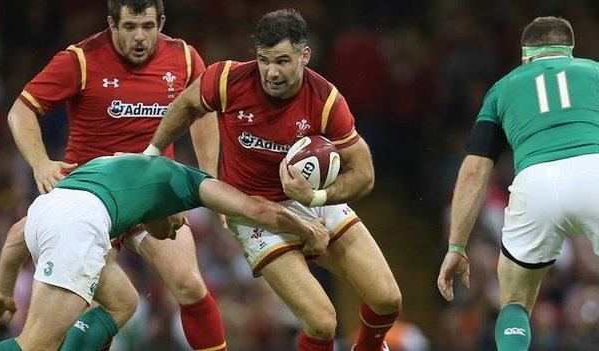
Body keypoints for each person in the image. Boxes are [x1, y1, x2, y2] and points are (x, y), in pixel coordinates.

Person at [145, 9, 402, 351]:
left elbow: (364, 174)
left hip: (310, 200)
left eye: (282, 61)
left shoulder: (325, 101)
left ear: (304, 55)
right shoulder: (228, 79)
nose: (271, 72)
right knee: (322, 323)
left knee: (388, 299)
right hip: (255, 214)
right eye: (264, 60)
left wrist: (317, 197)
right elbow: (188, 104)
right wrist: (152, 151)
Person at [1, 0, 226, 350]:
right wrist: (41, 162)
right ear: (112, 24)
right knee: (94, 308)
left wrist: (208, 178)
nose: (140, 37)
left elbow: (202, 109)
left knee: (190, 283)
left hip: (150, 196)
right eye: (130, 27)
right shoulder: (80, 59)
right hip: (91, 198)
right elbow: (21, 110)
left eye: (148, 27)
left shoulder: (183, 57)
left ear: (161, 22)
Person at [0, 154, 331, 351]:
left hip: (47, 209)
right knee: (36, 346)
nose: (178, 228)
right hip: (81, 226)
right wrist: (307, 229)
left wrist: (4, 293)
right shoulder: (188, 183)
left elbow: (18, 234)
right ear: (174, 203)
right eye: (181, 221)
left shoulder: (108, 167)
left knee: (123, 301)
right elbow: (255, 210)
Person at [437, 16, 599, 351]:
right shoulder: (593, 71)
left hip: (535, 183)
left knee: (515, 300)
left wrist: (456, 246)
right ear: (569, 52)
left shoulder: (503, 87)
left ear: (526, 56)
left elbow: (474, 171)